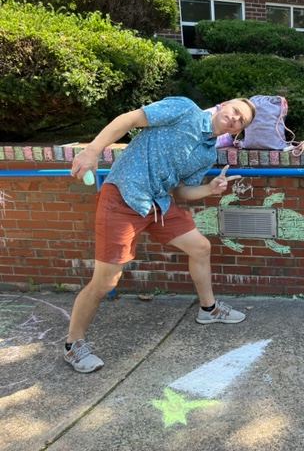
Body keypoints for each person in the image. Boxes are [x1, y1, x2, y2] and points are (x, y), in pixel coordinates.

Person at [65, 96, 256, 373]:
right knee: (106, 281)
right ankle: (73, 345)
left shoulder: (207, 153)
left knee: (200, 247)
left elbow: (181, 191)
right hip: (123, 196)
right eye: (236, 111)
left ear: (237, 131)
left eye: (242, 121)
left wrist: (210, 189)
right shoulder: (183, 109)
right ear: (224, 106)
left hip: (157, 204)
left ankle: (208, 309)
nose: (236, 119)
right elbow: (129, 119)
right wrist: (92, 150)